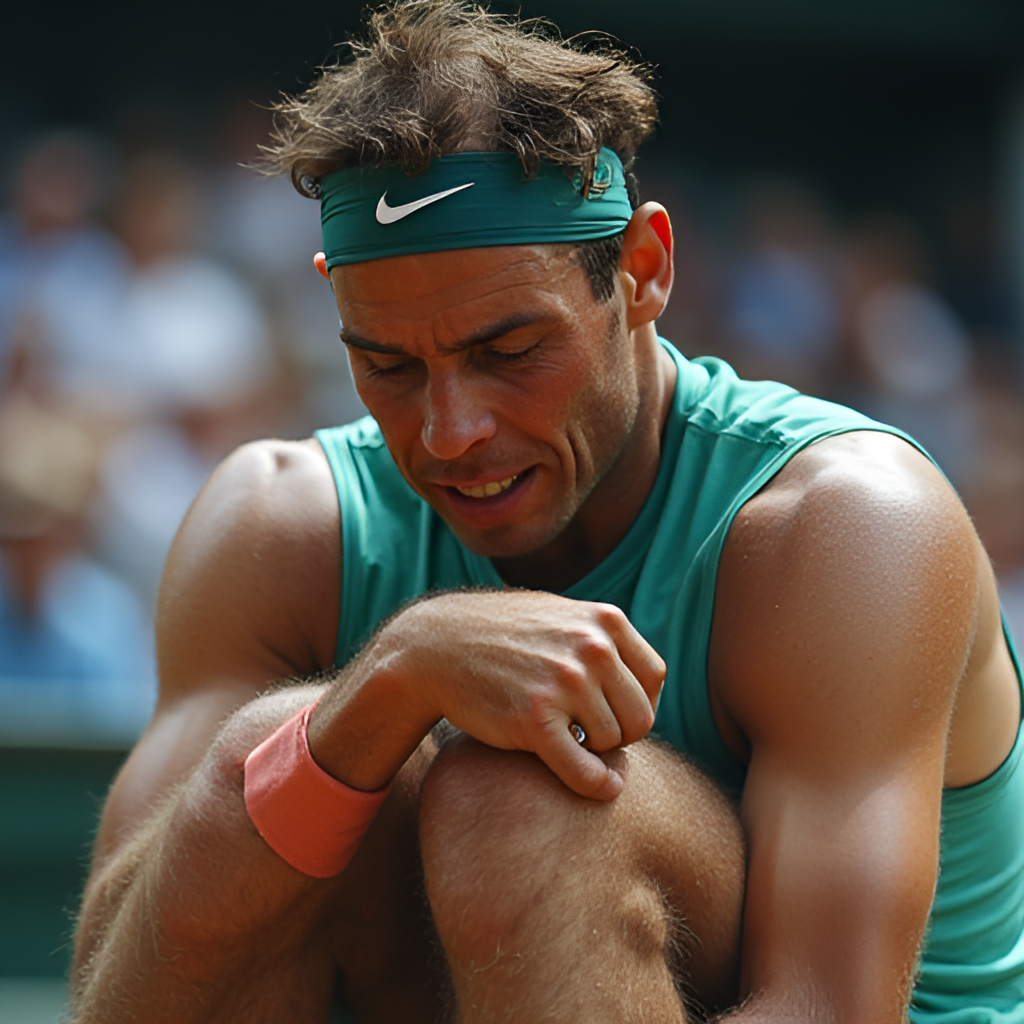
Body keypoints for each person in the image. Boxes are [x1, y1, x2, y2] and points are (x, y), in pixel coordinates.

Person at [70, 4, 1024, 1022]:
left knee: (520, 799)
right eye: (387, 364)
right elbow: (124, 1002)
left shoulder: (843, 524)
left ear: (644, 270)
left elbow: (831, 1011)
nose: (448, 432)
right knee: (285, 747)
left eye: (510, 351)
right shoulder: (280, 525)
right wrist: (383, 687)